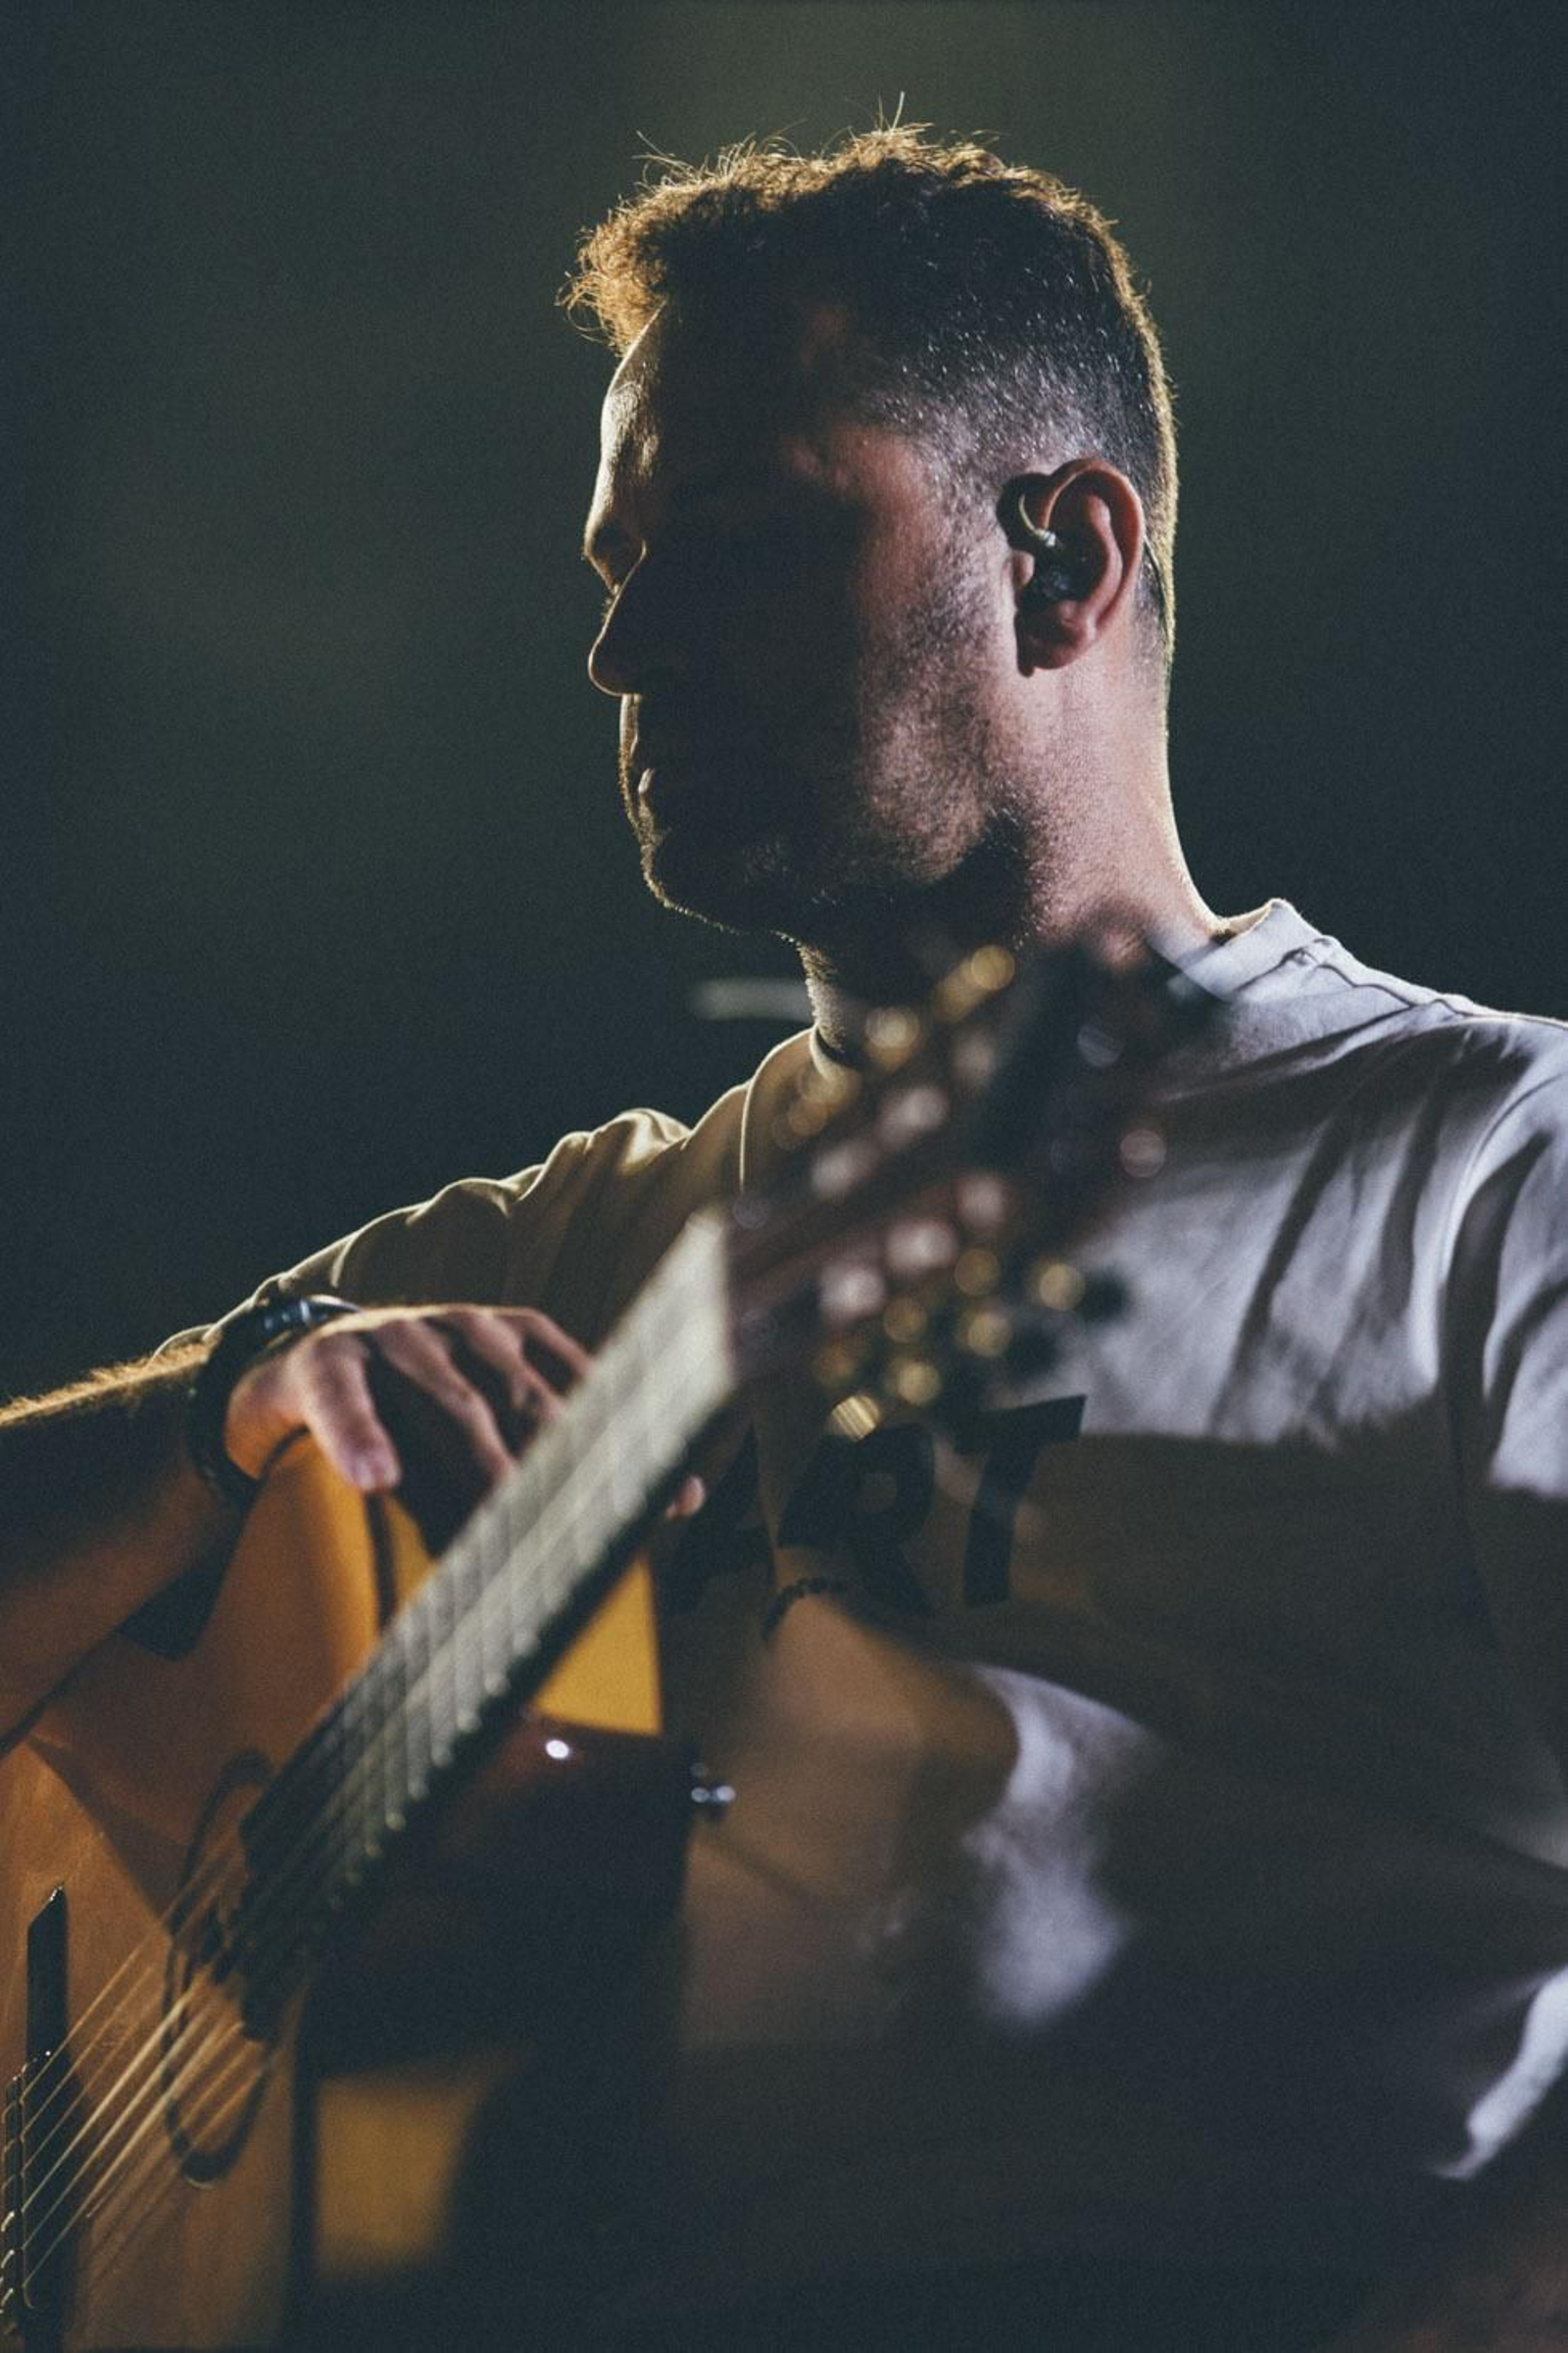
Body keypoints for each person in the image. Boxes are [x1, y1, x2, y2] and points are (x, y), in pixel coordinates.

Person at [3, 128, 1567, 2351]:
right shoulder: (574, 1244)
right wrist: (218, 1397)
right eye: (614, 562)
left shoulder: (1488, 1156)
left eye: (727, 537)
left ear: (1062, 555)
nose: (622, 645)